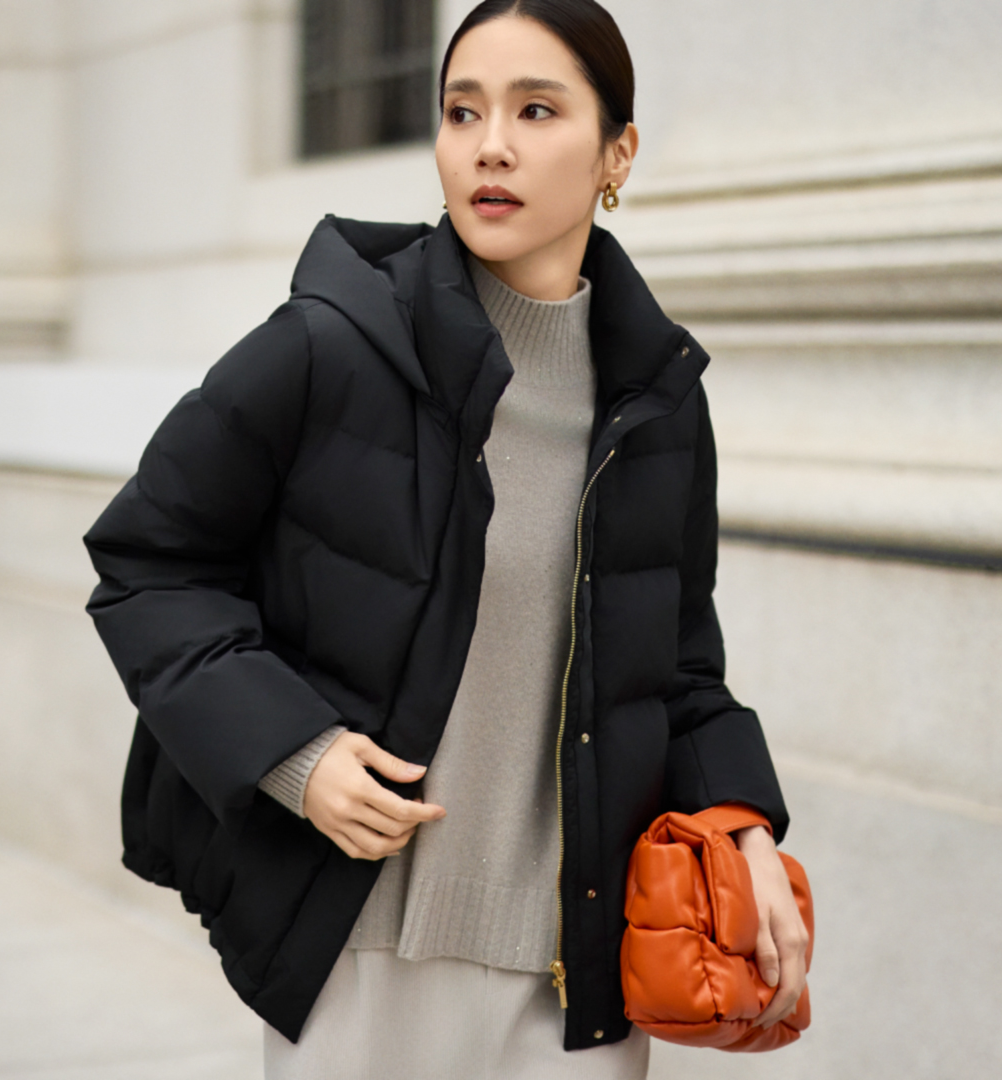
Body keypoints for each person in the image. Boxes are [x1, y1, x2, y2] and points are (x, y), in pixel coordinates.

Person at [83, 2, 809, 1076]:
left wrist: (742, 821)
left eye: (536, 110)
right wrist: (295, 755)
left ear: (617, 153)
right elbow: (149, 564)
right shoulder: (331, 347)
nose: (490, 146)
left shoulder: (657, 402)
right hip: (360, 945)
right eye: (462, 111)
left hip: (577, 970)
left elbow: (678, 664)